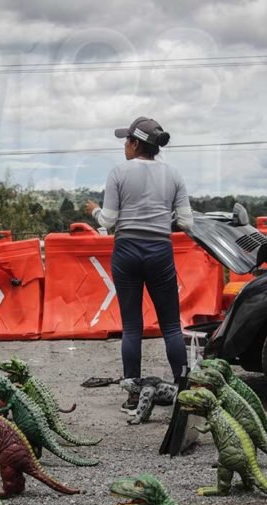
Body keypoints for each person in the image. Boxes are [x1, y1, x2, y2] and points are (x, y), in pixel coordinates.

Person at [85, 116, 194, 409]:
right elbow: (185, 221)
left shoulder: (118, 173)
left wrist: (95, 211)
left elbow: (108, 220)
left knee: (132, 327)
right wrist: (160, 219)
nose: (124, 146)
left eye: (126, 141)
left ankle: (133, 395)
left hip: (127, 252)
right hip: (160, 251)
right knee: (171, 326)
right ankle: (184, 393)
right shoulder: (174, 175)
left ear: (135, 143)